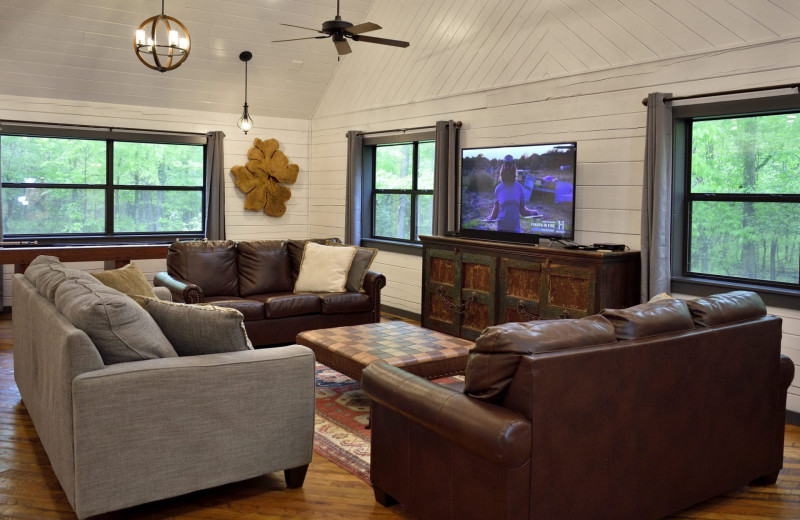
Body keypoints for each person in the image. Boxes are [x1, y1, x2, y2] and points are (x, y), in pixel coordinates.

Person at [485, 156, 540, 232]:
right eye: (506, 165)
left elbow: (522, 210)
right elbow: (496, 208)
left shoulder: (519, 187)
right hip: (501, 230)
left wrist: (531, 212)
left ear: (513, 167)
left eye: (509, 165)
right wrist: (491, 217)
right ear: (503, 167)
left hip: (515, 231)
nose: (507, 167)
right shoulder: (498, 188)